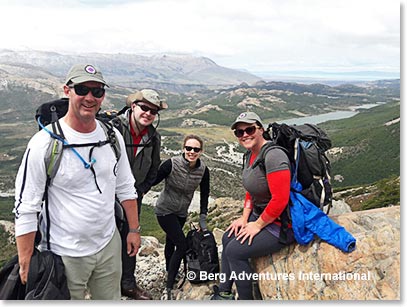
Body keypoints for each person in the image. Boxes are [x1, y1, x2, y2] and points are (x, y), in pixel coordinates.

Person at [13, 64, 141, 300]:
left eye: (98, 92)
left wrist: (133, 229)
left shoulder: (111, 137)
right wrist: (26, 259)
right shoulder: (43, 143)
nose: (90, 98)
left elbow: (125, 186)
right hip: (64, 253)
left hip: (108, 245)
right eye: (82, 89)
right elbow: (26, 206)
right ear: (67, 90)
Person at [210, 112, 294, 300]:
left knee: (234, 251)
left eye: (249, 129)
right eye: (239, 132)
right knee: (228, 237)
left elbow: (280, 199)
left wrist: (257, 225)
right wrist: (245, 217)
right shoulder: (249, 155)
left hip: (283, 223)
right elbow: (251, 190)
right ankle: (224, 292)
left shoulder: (274, 155)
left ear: (261, 129)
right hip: (262, 215)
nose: (245, 135)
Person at [112, 89, 167, 300]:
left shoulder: (153, 136)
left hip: (134, 195)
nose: (148, 114)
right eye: (144, 108)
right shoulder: (114, 127)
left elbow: (155, 166)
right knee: (106, 236)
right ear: (133, 106)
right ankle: (103, 282)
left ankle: (127, 283)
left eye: (153, 111)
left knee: (130, 236)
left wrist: (142, 189)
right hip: (107, 195)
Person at [153, 135, 210, 300]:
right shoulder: (172, 164)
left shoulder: (203, 170)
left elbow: (205, 194)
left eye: (196, 149)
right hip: (164, 210)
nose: (192, 152)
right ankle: (169, 286)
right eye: (189, 148)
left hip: (181, 213)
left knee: (171, 243)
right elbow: (153, 179)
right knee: (182, 244)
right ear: (183, 148)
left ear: (201, 151)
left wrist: (203, 217)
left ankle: (169, 270)